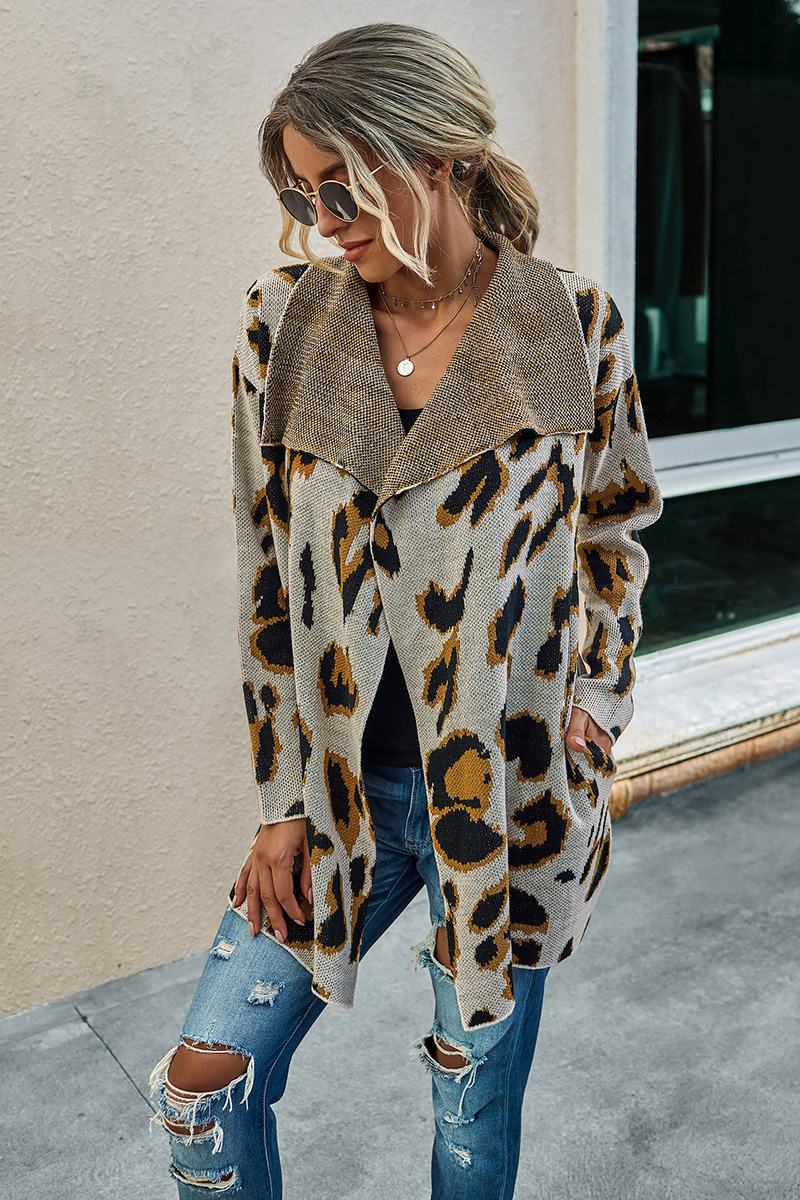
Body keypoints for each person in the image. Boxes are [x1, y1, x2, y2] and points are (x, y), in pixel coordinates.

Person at [149, 21, 663, 1200]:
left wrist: (594, 704)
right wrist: (281, 801)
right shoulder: (284, 324)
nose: (320, 219)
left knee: (468, 1116)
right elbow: (267, 570)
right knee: (200, 1089)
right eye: (300, 192)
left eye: (341, 185)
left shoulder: (570, 325)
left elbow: (612, 526)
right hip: (343, 798)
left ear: (437, 156)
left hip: (511, 801)